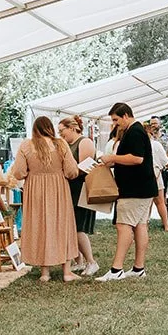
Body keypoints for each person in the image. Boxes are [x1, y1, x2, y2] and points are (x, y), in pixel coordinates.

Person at [5, 116, 81, 282]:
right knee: (63, 224)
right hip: (58, 188)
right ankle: (67, 272)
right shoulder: (61, 144)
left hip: (35, 190)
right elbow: (71, 171)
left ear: (34, 129)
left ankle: (44, 272)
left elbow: (18, 172)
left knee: (40, 225)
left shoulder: (26, 145)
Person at [98, 102, 157, 280]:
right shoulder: (136, 131)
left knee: (123, 226)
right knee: (140, 226)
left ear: (125, 115)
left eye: (116, 119)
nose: (115, 123)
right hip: (143, 188)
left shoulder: (135, 132)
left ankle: (116, 270)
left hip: (134, 190)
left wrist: (112, 157)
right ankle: (138, 268)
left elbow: (137, 158)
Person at [58, 115, 100, 277]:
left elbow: (83, 167)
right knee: (71, 227)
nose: (61, 135)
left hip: (81, 189)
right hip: (69, 190)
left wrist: (66, 171)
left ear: (72, 128)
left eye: (62, 131)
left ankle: (91, 262)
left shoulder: (85, 142)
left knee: (77, 228)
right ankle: (79, 261)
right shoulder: (66, 144)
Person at [146, 118, 168, 232]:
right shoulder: (156, 144)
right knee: (160, 202)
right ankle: (166, 225)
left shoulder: (139, 145)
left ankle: (145, 225)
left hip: (144, 177)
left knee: (147, 203)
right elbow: (166, 161)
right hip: (156, 175)